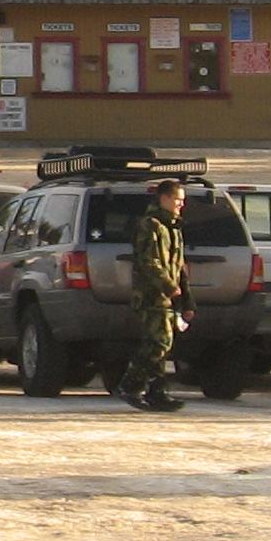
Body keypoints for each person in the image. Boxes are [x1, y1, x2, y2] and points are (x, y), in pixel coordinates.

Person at [116, 175, 191, 412]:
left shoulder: (173, 227)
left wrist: (186, 299)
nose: (181, 204)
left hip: (167, 298)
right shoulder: (150, 226)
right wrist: (168, 286)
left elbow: (179, 266)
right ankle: (130, 385)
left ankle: (157, 392)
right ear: (164, 198)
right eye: (178, 199)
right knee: (159, 342)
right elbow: (149, 262)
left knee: (161, 344)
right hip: (151, 295)